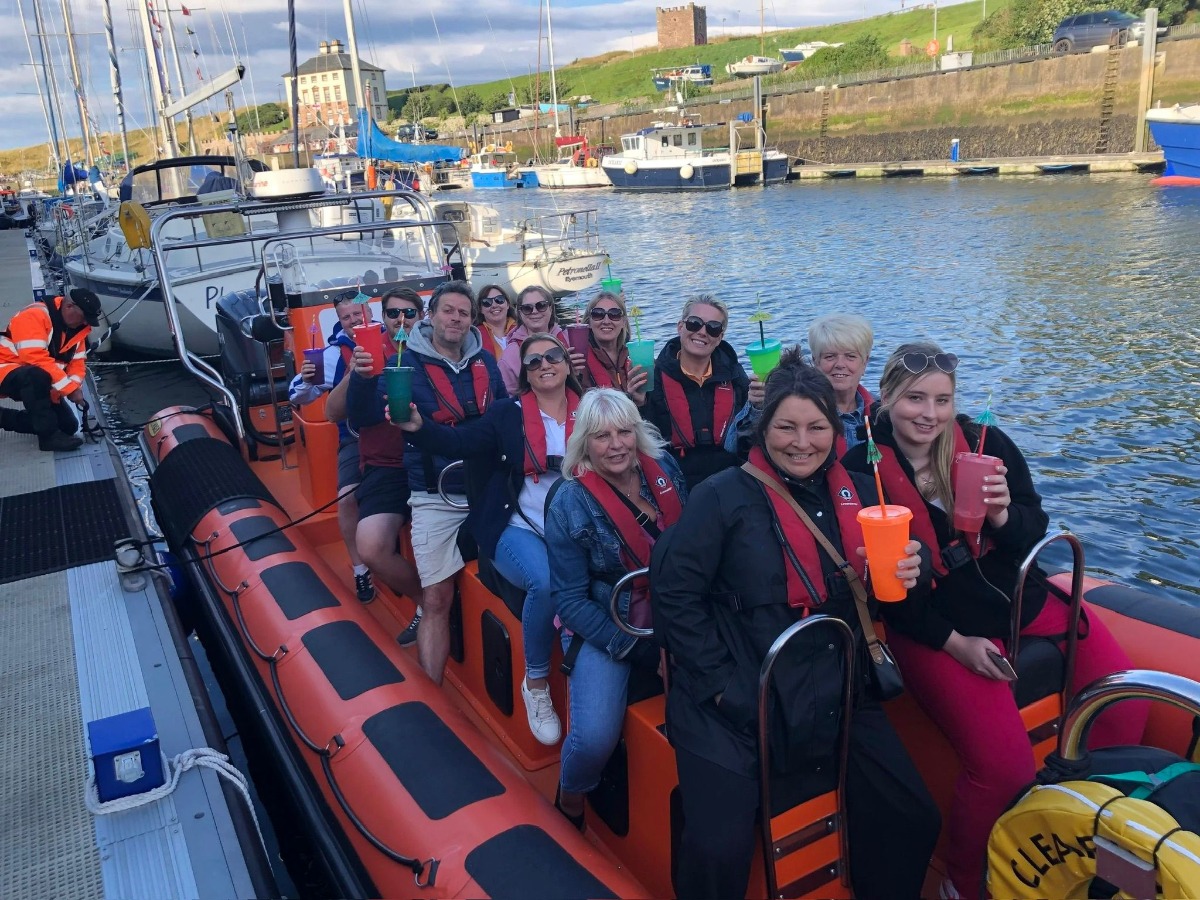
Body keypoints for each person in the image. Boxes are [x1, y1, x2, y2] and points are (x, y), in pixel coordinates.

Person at [841, 341, 1148, 900]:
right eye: (913, 398)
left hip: (1016, 596)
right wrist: (955, 644)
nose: (928, 414)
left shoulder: (985, 443)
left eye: (941, 399)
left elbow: (1033, 529)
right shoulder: (860, 472)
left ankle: (1085, 826)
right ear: (884, 399)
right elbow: (891, 598)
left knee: (1125, 704)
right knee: (1003, 770)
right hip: (930, 623)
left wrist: (1005, 513)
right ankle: (962, 883)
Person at [652, 350, 940, 900]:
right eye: (786, 427)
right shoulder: (720, 498)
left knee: (912, 814)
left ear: (835, 431)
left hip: (837, 687)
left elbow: (891, 592)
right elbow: (674, 595)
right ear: (764, 431)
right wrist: (723, 690)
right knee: (719, 848)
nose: (802, 442)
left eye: (816, 428)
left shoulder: (860, 493)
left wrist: (917, 568)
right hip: (736, 696)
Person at [394, 333, 582, 745]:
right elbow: (460, 442)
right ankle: (534, 684)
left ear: (568, 364)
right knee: (548, 582)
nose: (544, 364)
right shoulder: (504, 414)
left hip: (579, 531)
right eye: (533, 361)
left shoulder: (594, 411)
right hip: (516, 526)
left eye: (553, 356)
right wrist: (420, 427)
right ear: (525, 375)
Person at [348, 280, 506, 684]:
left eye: (464, 313)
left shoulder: (485, 362)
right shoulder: (403, 363)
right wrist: (364, 378)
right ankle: (432, 694)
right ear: (431, 315)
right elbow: (364, 414)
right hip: (435, 493)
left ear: (473, 321)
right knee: (436, 597)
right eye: (448, 310)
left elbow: (504, 415)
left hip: (486, 486)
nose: (455, 318)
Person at [545, 388, 688, 830]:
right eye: (602, 436)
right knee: (593, 740)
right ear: (584, 443)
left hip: (679, 609)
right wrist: (634, 649)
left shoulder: (664, 469)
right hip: (608, 620)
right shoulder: (568, 502)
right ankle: (569, 800)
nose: (617, 445)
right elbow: (569, 600)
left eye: (625, 432)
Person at [330, 290, 425, 624]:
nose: (402, 319)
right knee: (371, 546)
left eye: (409, 313)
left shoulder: (438, 347)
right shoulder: (366, 352)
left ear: (422, 315)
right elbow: (332, 411)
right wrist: (356, 373)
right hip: (387, 466)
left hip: (432, 460)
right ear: (381, 316)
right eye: (393, 312)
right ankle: (426, 603)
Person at [290, 292, 375, 603]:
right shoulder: (327, 355)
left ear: (369, 311)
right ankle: (360, 568)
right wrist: (307, 381)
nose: (354, 321)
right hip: (355, 435)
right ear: (340, 320)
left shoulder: (391, 337)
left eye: (358, 314)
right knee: (346, 498)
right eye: (347, 317)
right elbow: (299, 396)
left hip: (395, 428)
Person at [639, 293, 760, 490]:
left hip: (730, 479)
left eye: (713, 328)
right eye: (695, 323)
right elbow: (645, 443)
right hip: (676, 481)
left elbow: (748, 439)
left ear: (720, 337)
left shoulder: (736, 377)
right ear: (680, 327)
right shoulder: (654, 377)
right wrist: (638, 404)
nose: (703, 332)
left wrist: (758, 407)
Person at [0, 288, 102, 452]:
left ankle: (4, 418)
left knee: (67, 426)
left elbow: (77, 363)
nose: (85, 323)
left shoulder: (76, 330)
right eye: (83, 318)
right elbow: (34, 358)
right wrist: (68, 389)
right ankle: (48, 438)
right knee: (35, 374)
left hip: (40, 380)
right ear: (69, 307)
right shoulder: (35, 315)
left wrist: (74, 388)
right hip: (6, 370)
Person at [808, 313, 874, 453]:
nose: (840, 364)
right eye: (830, 356)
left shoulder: (880, 412)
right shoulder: (802, 410)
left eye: (850, 356)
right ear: (816, 362)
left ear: (865, 362)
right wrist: (758, 406)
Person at [566, 291, 646, 397]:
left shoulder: (636, 356)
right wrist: (571, 376)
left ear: (623, 322)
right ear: (588, 322)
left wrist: (641, 402)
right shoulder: (578, 360)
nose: (606, 321)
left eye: (614, 314)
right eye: (598, 314)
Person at [498, 285, 566, 393]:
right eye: (527, 308)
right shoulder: (510, 356)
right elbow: (507, 395)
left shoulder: (569, 339)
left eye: (541, 306)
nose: (534, 311)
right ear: (520, 313)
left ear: (551, 308)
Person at [475, 283, 517, 359]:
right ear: (481, 309)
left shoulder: (523, 330)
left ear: (507, 304)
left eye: (499, 300)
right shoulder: (474, 337)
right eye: (487, 302)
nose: (494, 305)